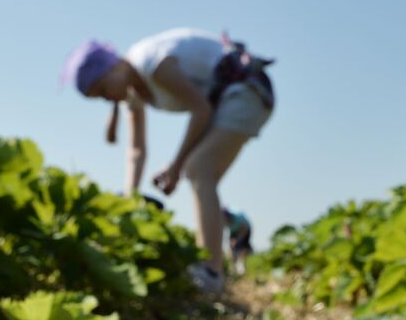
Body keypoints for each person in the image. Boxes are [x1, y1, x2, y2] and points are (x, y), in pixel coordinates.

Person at [62, 29, 273, 294]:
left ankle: (210, 272)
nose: (108, 98)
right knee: (195, 168)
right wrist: (131, 198)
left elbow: (201, 110)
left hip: (246, 88)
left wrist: (176, 167)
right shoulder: (133, 94)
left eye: (104, 89)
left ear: (113, 66)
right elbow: (136, 150)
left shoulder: (152, 64)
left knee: (199, 170)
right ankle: (210, 268)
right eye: (100, 97)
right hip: (222, 100)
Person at [224, 208, 253, 276]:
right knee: (231, 247)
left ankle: (241, 264)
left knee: (242, 246)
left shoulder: (237, 219)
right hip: (234, 231)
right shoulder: (224, 222)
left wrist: (237, 240)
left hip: (245, 229)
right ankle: (232, 266)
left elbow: (244, 230)